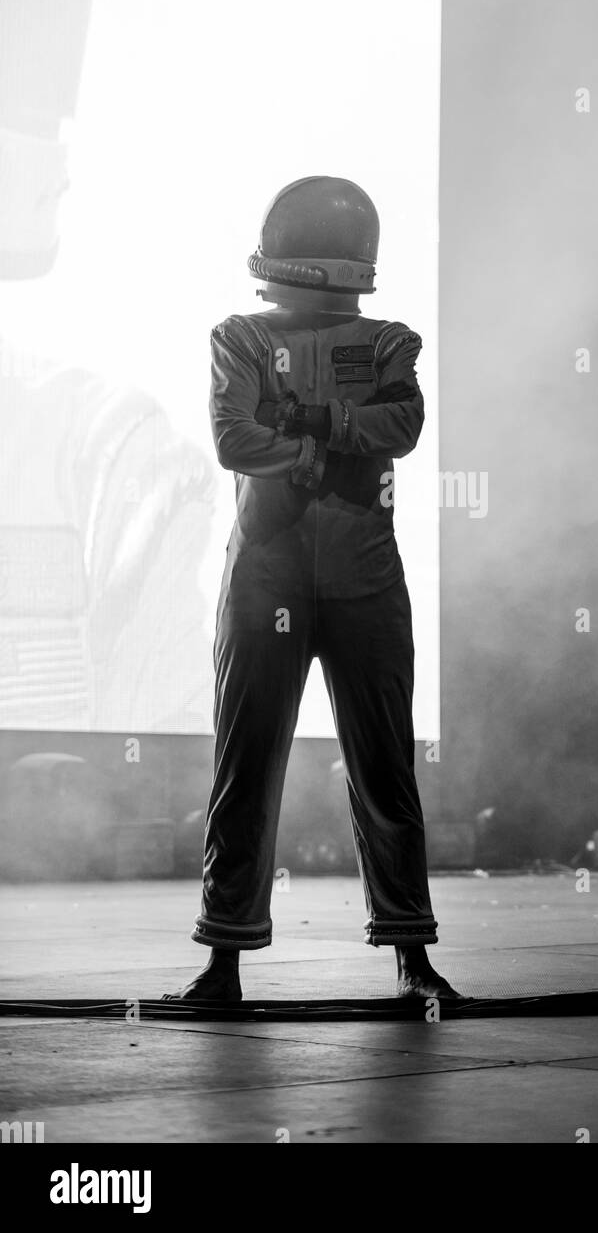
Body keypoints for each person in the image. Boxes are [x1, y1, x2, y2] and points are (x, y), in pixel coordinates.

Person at [168, 176, 457, 1002]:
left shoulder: (374, 342)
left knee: (380, 772)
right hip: (283, 577)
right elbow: (235, 440)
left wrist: (300, 426)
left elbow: (397, 426)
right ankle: (227, 958)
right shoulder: (245, 337)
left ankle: (405, 955)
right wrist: (331, 444)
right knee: (248, 766)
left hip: (330, 576)